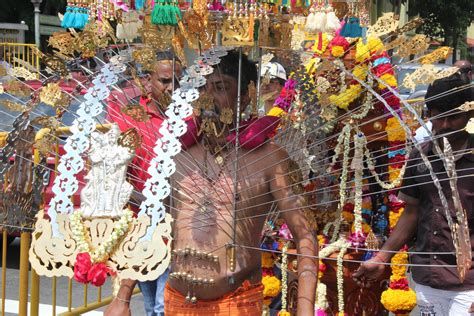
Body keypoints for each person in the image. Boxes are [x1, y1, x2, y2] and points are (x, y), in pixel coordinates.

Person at [107, 50, 318, 315]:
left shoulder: (269, 158)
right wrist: (123, 295)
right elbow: (150, 223)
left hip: (236, 302)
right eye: (202, 88)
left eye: (220, 87)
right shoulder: (177, 152)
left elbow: (305, 235)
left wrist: (305, 309)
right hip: (176, 301)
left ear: (245, 95)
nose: (207, 97)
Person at [353, 73, 474, 315]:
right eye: (438, 117)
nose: (445, 125)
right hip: (427, 277)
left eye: (454, 118)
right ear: (429, 115)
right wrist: (381, 258)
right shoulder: (421, 156)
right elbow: (412, 212)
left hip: (469, 286)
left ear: (470, 115)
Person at [106, 51, 188, 316]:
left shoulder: (190, 118)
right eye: (164, 80)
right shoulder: (129, 115)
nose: (171, 87)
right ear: (147, 80)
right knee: (151, 301)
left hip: (177, 222)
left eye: (177, 81)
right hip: (138, 221)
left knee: (165, 306)